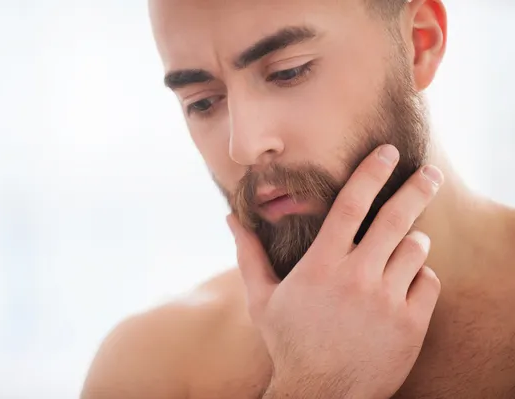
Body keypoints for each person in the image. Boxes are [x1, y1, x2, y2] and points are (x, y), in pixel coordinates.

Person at [81, 0, 515, 397]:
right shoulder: (150, 370)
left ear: (420, 44)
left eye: (288, 72)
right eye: (203, 102)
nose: (245, 146)